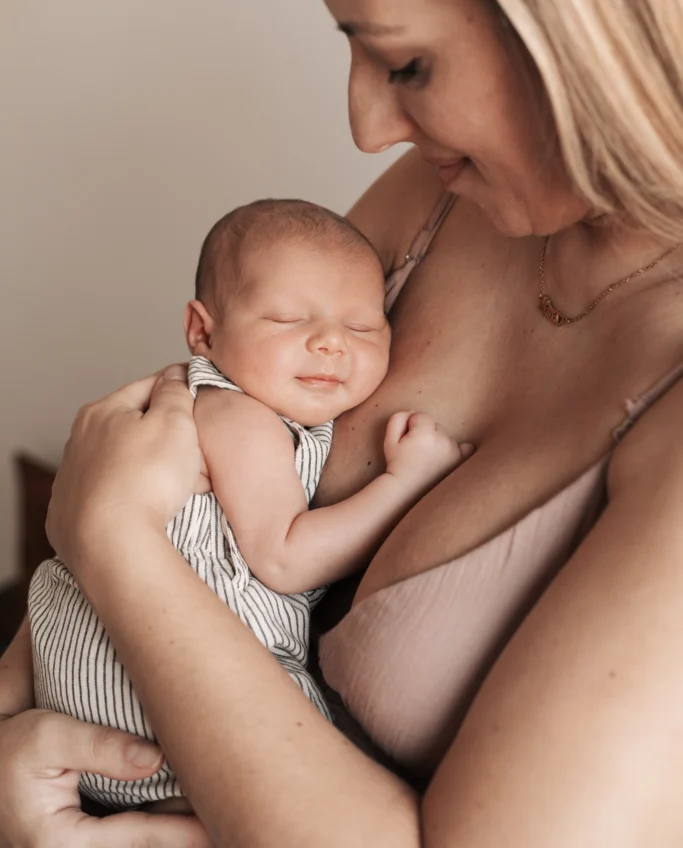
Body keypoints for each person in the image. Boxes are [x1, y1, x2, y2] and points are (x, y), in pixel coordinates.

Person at [2, 0, 683, 844]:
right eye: (353, 49)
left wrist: (107, 547)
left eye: (406, 63)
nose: (365, 125)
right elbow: (171, 442)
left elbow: (115, 517)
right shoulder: (442, 202)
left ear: (582, 22)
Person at [26, 198, 467, 812]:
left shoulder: (195, 407)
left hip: (93, 702)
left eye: (364, 326)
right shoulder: (238, 416)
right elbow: (285, 558)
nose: (331, 344)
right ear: (203, 331)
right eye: (289, 319)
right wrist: (407, 480)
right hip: (162, 712)